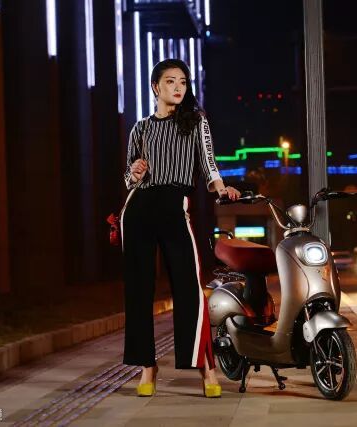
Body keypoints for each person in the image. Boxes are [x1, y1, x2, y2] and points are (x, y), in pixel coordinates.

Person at [121, 59, 240, 398]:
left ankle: (206, 367)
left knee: (189, 289)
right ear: (155, 86)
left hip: (175, 206)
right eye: (171, 81)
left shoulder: (196, 122)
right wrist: (135, 172)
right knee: (139, 291)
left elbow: (209, 164)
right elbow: (128, 179)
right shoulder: (140, 128)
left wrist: (222, 189)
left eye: (183, 82)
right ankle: (147, 366)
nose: (178, 87)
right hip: (139, 208)